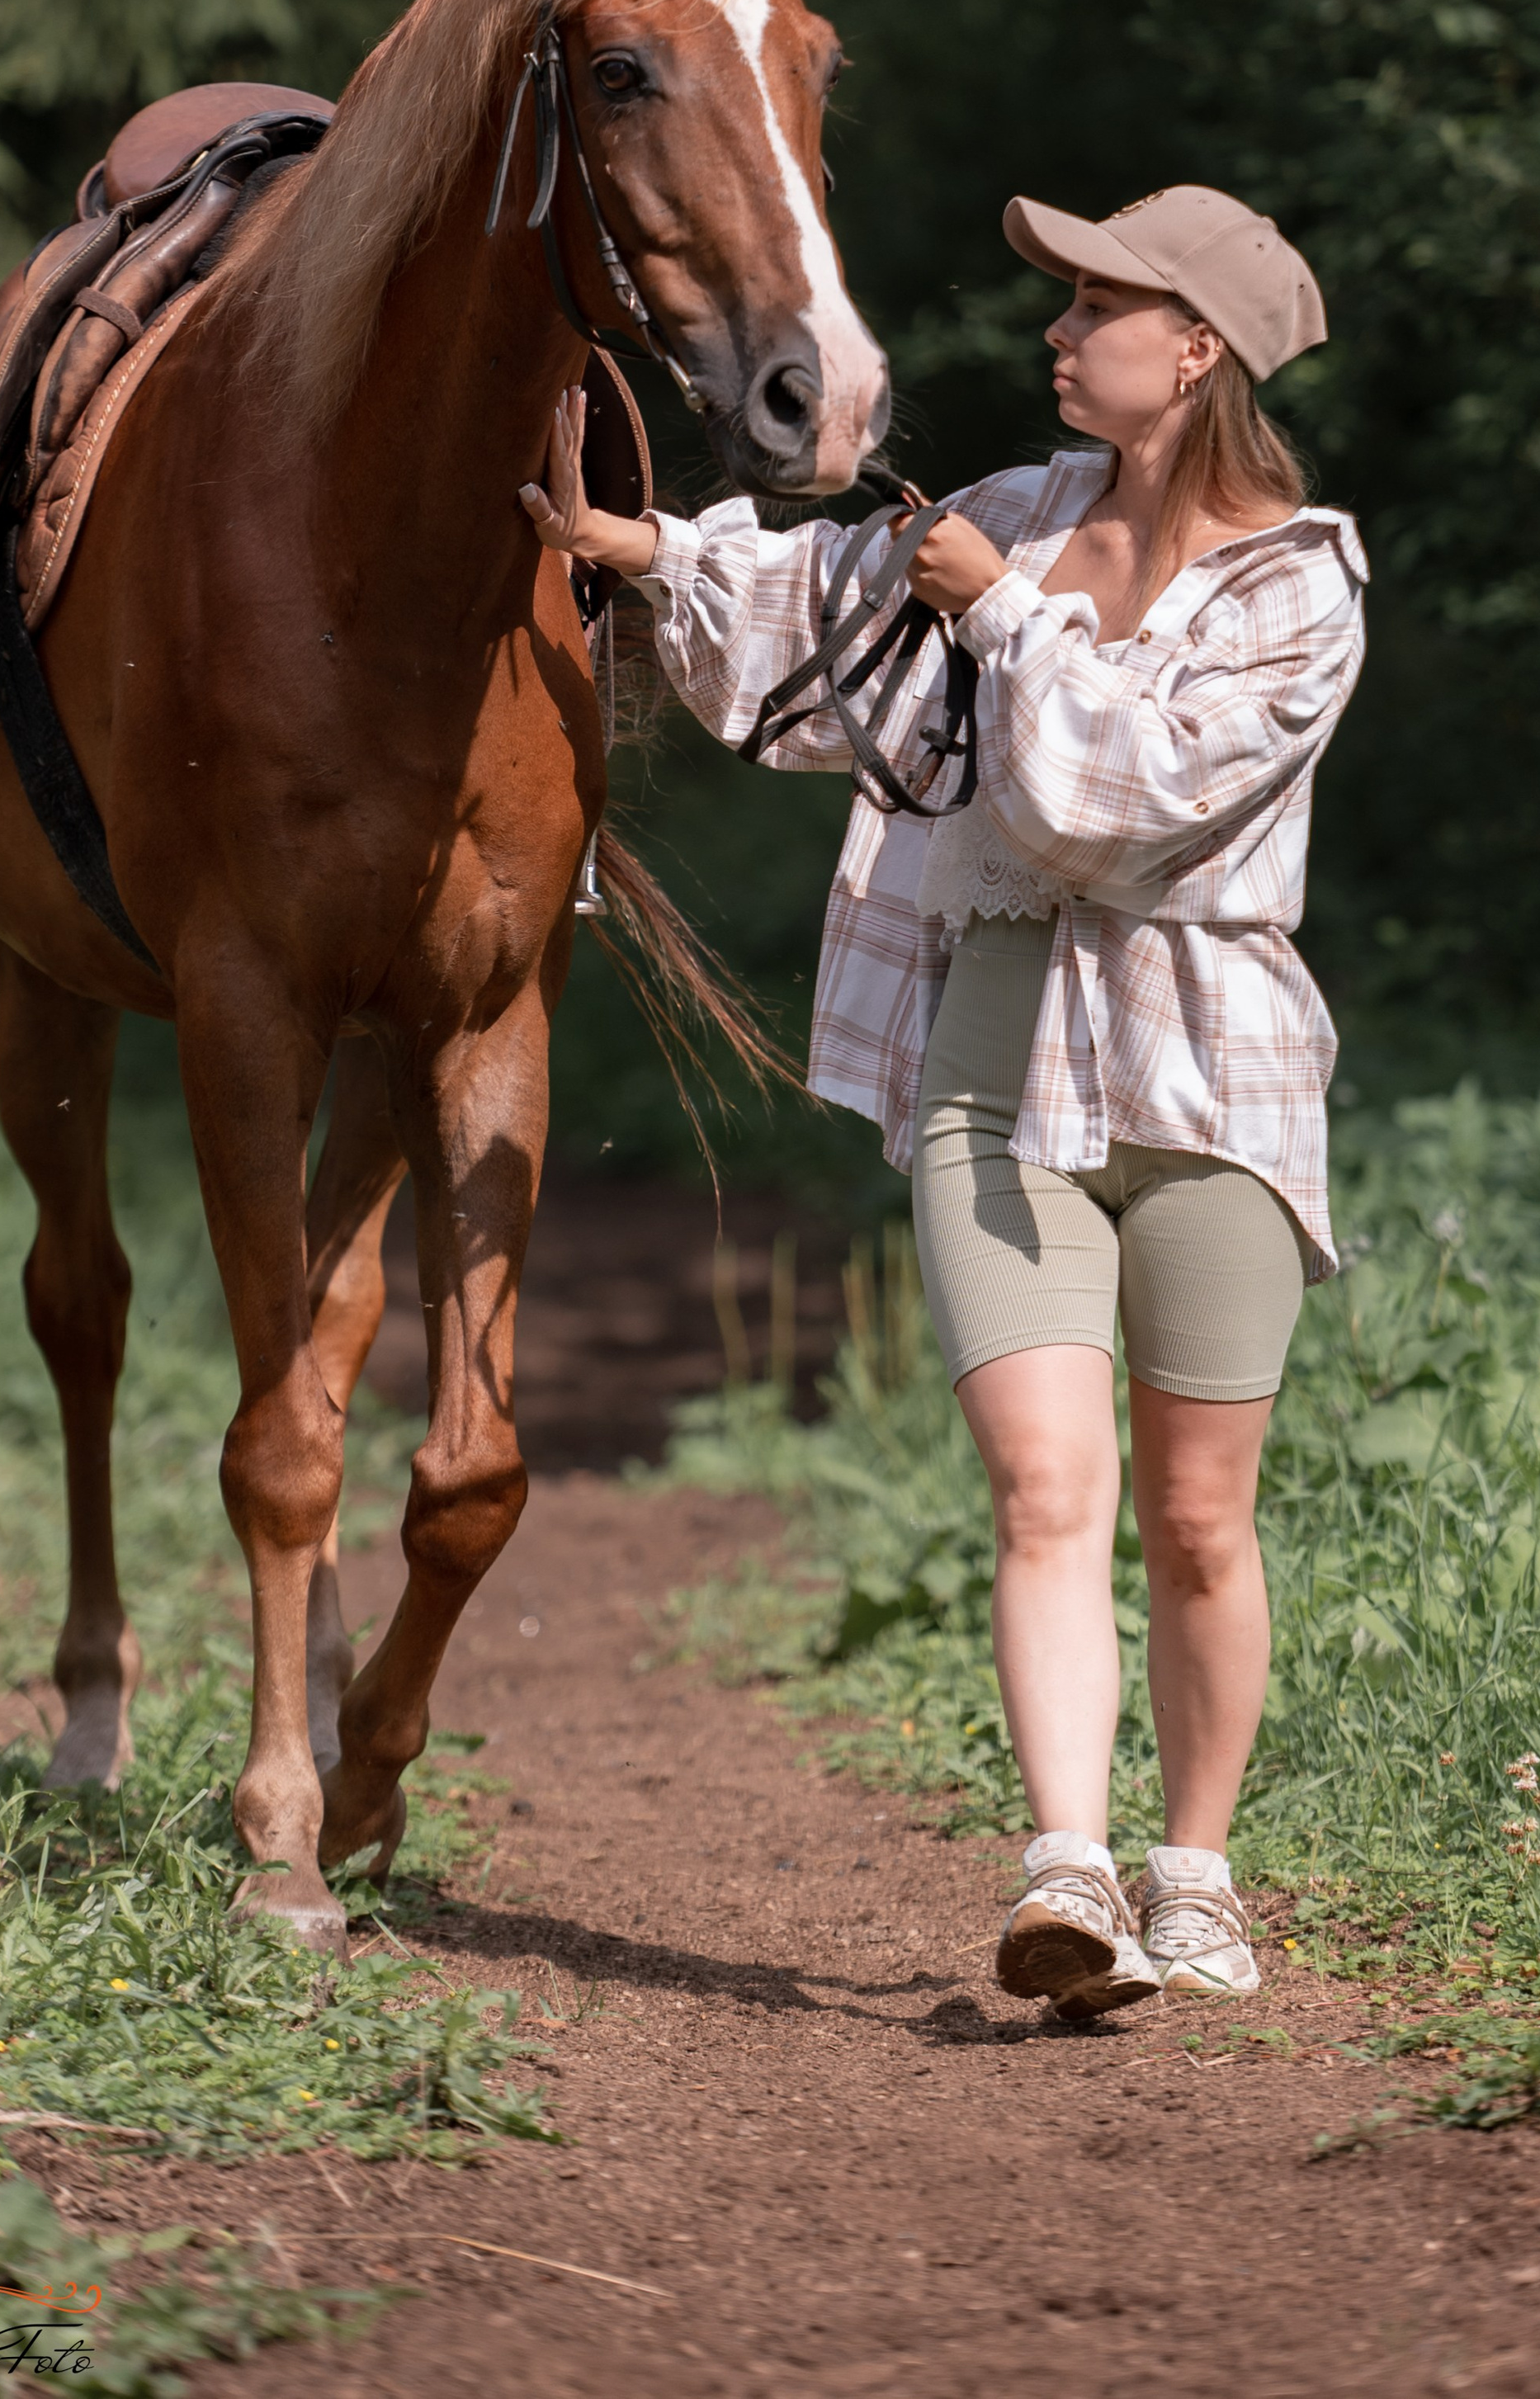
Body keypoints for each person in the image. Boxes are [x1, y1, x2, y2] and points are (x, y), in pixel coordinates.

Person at [520, 185, 1365, 2017]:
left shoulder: (1297, 584)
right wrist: (635, 543)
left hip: (1212, 1076)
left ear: (1194, 349)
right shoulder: (1010, 514)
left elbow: (1125, 805)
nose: (1054, 332)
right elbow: (821, 611)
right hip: (996, 1054)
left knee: (1198, 1521)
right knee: (1042, 1488)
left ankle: (1196, 1874)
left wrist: (1007, 625)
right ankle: (1067, 1870)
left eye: (1092, 306)